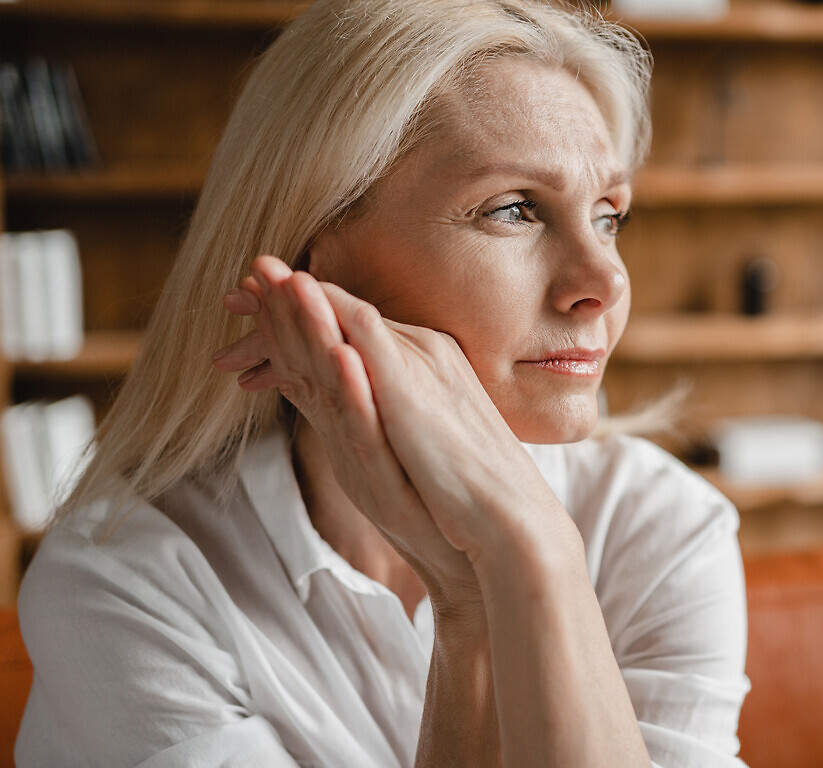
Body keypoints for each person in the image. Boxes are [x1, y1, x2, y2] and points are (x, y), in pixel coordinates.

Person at [15, 0, 749, 765]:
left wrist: (538, 555)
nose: (605, 280)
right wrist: (476, 599)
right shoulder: (125, 585)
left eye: (608, 215)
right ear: (315, 260)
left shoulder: (662, 530)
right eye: (515, 209)